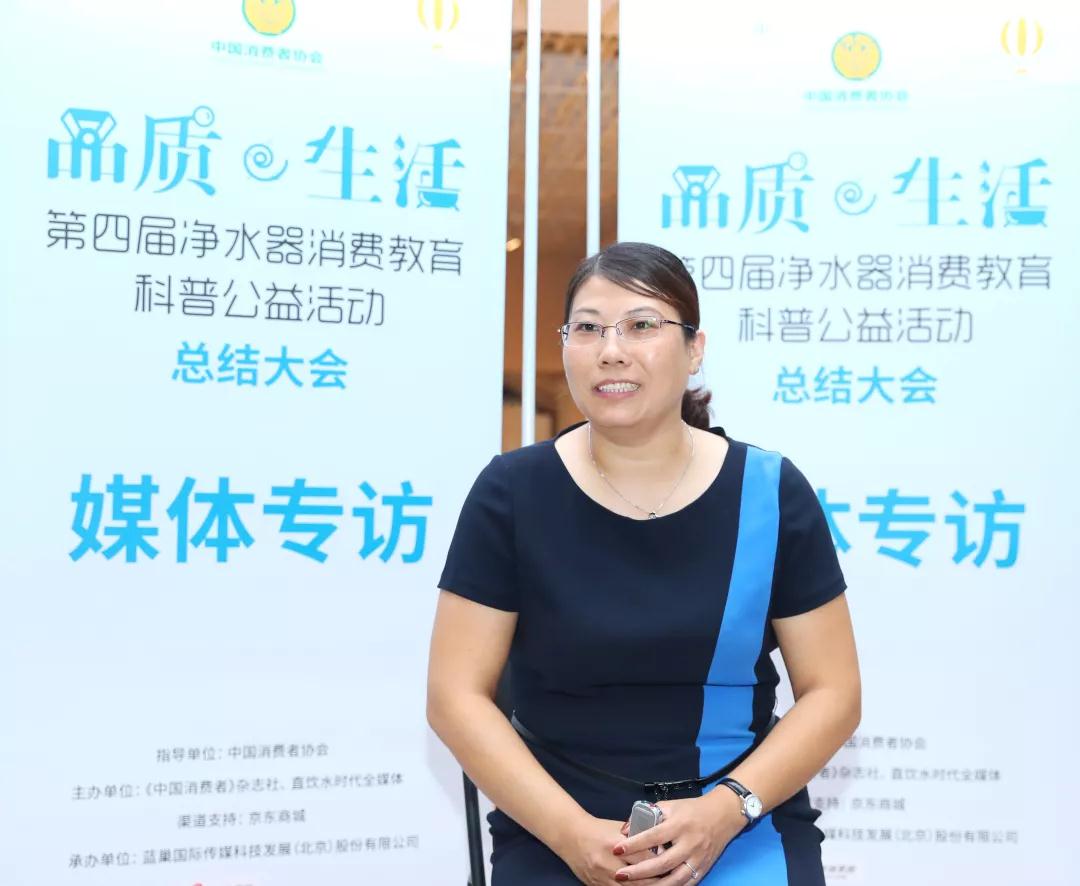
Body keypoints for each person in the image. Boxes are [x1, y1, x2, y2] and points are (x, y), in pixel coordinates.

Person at [427, 242, 861, 885]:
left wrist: (725, 810)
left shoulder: (769, 492)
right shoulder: (512, 493)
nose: (611, 350)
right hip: (558, 826)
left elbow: (835, 692)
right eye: (588, 328)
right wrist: (572, 834)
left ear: (694, 348)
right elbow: (454, 695)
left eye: (641, 325)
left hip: (740, 819)